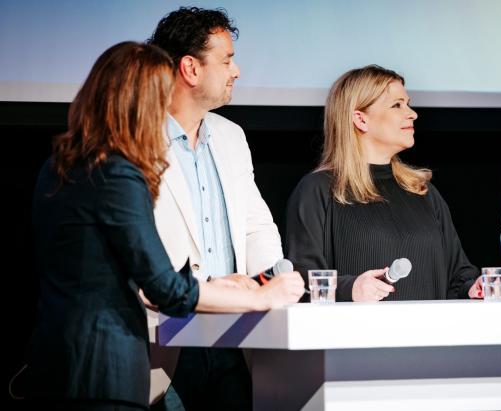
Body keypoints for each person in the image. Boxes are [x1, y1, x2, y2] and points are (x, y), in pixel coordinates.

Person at [27, 41, 304, 411]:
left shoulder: (60, 165)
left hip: (57, 364)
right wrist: (259, 296)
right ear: (142, 100)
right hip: (104, 370)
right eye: (163, 94)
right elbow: (163, 288)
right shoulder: (118, 173)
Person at [147, 7, 289, 411]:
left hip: (233, 336)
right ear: (190, 68)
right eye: (227, 59)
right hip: (168, 335)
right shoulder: (137, 138)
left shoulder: (230, 136)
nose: (237, 70)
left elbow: (256, 226)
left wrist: (271, 286)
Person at [285, 65, 482, 302]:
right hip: (359, 337)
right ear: (361, 119)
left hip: (428, 335)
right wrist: (350, 288)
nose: (412, 114)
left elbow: (458, 274)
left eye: (408, 104)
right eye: (397, 105)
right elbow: (301, 282)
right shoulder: (318, 190)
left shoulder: (422, 191)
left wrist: (471, 288)